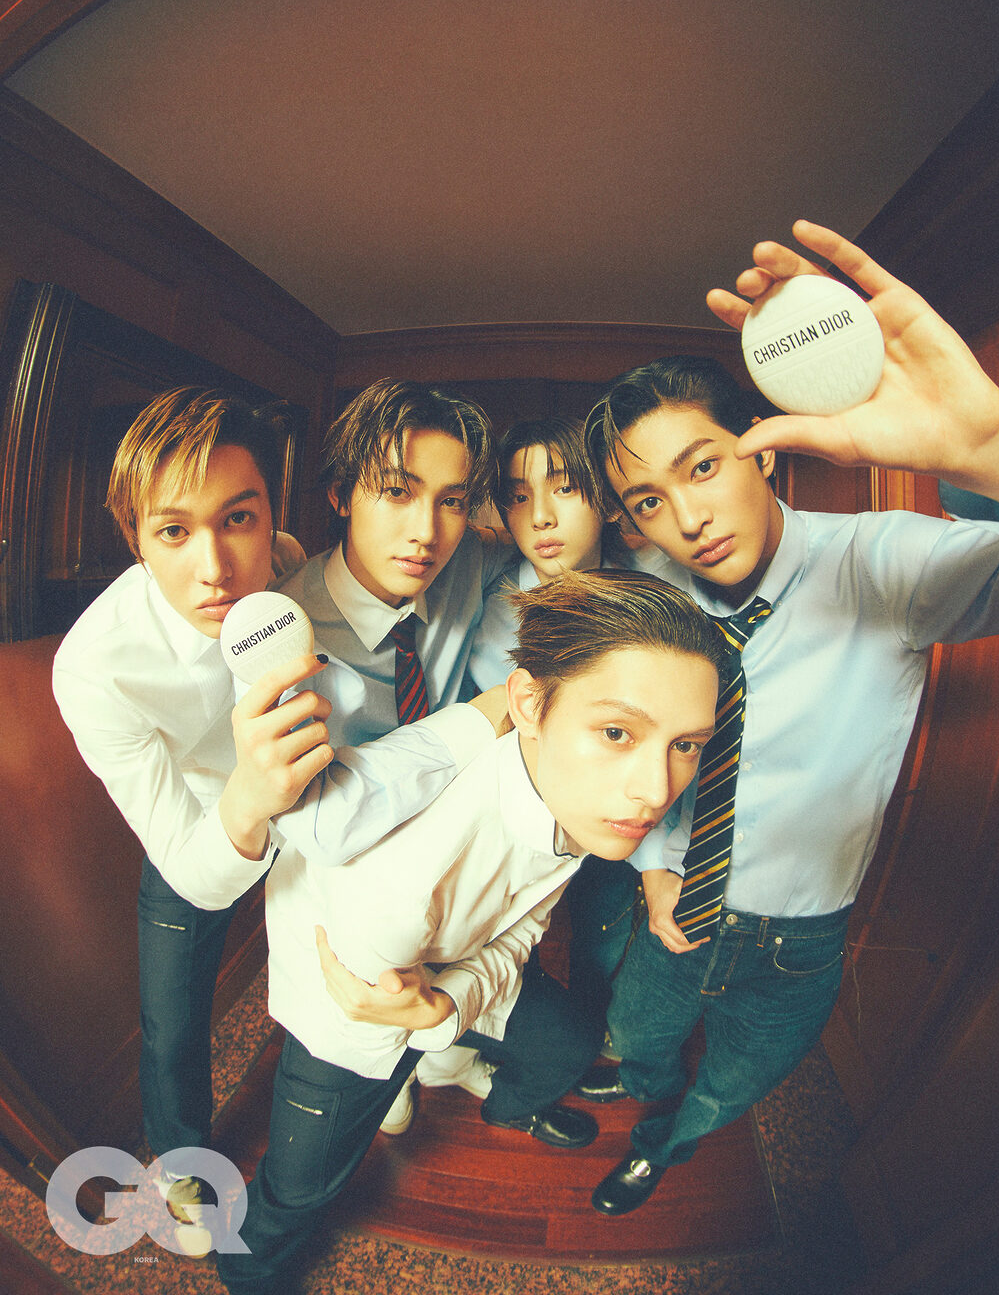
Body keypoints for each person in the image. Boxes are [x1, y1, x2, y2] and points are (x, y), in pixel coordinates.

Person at [577, 220, 999, 1215]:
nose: (686, 518)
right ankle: (645, 1098)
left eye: (702, 466)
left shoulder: (881, 563)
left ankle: (670, 1145)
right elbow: (640, 754)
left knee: (734, 1081)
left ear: (764, 451)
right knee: (638, 1037)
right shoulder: (654, 599)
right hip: (674, 907)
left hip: (799, 937)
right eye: (647, 501)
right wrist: (654, 863)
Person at [51, 386, 503, 1224]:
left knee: (345, 959)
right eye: (173, 531)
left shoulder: (289, 568)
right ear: (134, 535)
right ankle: (182, 1166)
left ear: (272, 515)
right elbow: (192, 868)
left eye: (239, 519)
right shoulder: (94, 669)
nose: (216, 568)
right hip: (202, 827)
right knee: (174, 1016)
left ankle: (383, 1073)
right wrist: (250, 799)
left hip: (317, 806)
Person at [214, 569, 727, 1295]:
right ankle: (247, 1270)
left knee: (568, 1040)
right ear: (530, 705)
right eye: (617, 732)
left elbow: (523, 931)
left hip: (451, 964)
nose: (656, 790)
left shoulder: (576, 787)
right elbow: (375, 1012)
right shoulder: (401, 882)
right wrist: (422, 1026)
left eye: (686, 744)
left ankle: (490, 1093)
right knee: (302, 1186)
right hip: (350, 1016)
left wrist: (449, 1005)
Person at [276, 377, 514, 1127]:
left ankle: (445, 1057)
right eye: (397, 492)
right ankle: (392, 1070)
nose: (426, 533)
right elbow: (323, 822)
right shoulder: (284, 634)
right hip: (343, 889)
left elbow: (541, 548)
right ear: (341, 493)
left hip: (445, 853)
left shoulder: (466, 562)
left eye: (451, 501)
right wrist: (478, 718)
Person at [467, 416, 640, 1023]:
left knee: (603, 927)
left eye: (564, 488)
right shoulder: (488, 601)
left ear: (605, 498)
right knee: (503, 944)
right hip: (514, 817)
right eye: (518, 497)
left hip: (617, 815)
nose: (540, 516)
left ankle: (595, 1022)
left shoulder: (648, 588)